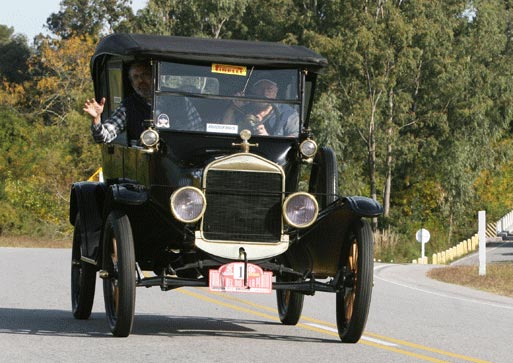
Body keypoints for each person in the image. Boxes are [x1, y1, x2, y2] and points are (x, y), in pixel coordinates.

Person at [84, 61, 203, 143]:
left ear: (154, 76)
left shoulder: (179, 100)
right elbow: (104, 137)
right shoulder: (128, 107)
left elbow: (198, 130)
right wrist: (96, 119)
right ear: (132, 83)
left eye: (145, 75)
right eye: (135, 77)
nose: (141, 80)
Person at [223, 77, 299, 137]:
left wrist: (267, 138)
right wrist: (233, 107)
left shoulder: (289, 114)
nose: (264, 93)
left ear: (276, 91)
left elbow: (293, 139)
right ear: (254, 90)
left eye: (269, 89)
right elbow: (225, 128)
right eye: (260, 88)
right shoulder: (243, 107)